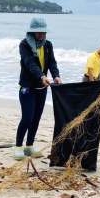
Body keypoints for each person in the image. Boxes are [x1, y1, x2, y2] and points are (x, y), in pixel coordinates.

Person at [14, 18, 62, 160]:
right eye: (38, 32)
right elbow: (30, 63)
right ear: (32, 32)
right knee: (27, 118)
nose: (41, 35)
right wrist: (41, 76)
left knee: (36, 118)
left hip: (42, 87)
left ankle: (29, 146)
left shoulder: (48, 45)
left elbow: (52, 62)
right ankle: (18, 146)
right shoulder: (24, 45)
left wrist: (56, 76)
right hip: (27, 86)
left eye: (43, 32)